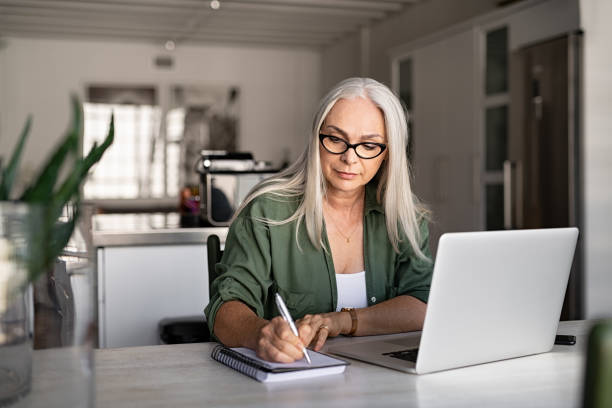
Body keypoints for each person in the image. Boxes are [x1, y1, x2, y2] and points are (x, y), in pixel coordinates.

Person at [204, 77, 433, 363]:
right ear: (316, 138)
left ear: (388, 154)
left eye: (369, 145)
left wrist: (341, 321)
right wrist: (259, 333)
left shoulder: (404, 215)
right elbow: (224, 309)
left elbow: (422, 304)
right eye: (336, 139)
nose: (350, 158)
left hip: (384, 377)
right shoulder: (266, 210)